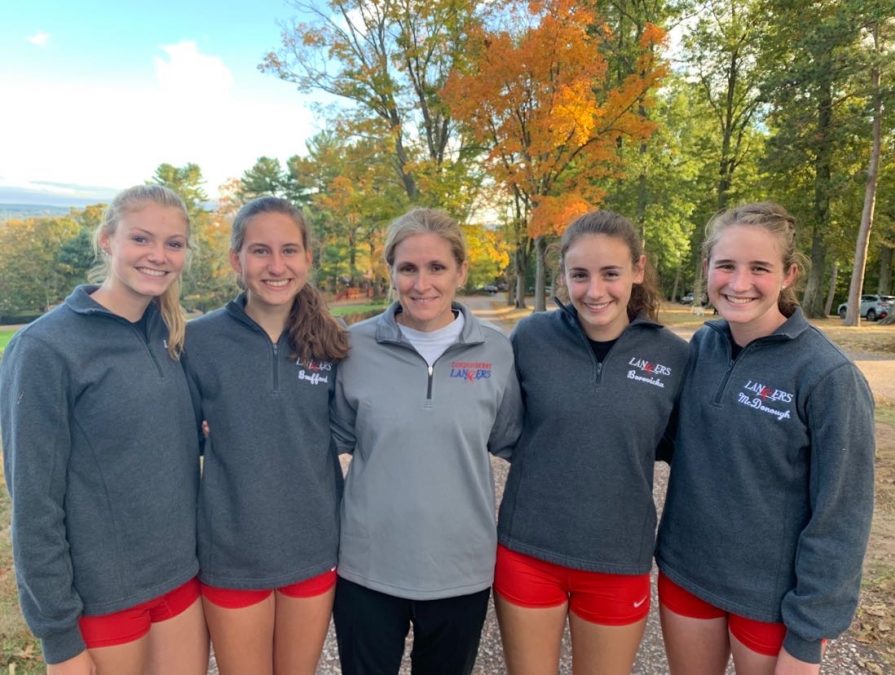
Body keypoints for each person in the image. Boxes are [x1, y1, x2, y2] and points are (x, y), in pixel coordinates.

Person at [655, 202, 875, 675]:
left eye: (759, 268)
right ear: (708, 269)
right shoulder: (704, 346)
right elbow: (667, 440)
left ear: (788, 274)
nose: (739, 283)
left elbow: (842, 517)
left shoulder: (828, 376)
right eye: (726, 266)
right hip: (686, 575)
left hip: (769, 601)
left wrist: (807, 635)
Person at [0, 185, 208, 675]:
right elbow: (33, 503)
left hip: (181, 581)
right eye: (142, 238)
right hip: (103, 598)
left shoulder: (169, 334)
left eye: (174, 244)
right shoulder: (46, 348)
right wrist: (59, 637)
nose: (158, 256)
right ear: (107, 240)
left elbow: (152, 445)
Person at [493, 210, 690, 674]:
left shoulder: (674, 356)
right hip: (528, 552)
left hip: (619, 558)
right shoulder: (531, 338)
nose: (594, 291)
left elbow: (678, 448)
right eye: (579, 275)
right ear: (563, 274)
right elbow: (502, 426)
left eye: (611, 274)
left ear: (638, 271)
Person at [330, 207, 522, 675]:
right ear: (391, 272)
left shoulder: (496, 352)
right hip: (368, 566)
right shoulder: (352, 347)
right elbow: (325, 437)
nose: (422, 283)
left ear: (461, 270)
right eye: (408, 268)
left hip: (461, 567)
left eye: (436, 267)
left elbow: (512, 440)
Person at [181, 196, 348, 675]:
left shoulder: (331, 341)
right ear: (237, 259)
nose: (277, 266)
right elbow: (179, 434)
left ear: (307, 258)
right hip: (232, 549)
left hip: (312, 546)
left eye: (289, 250)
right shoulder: (199, 341)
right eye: (260, 251)